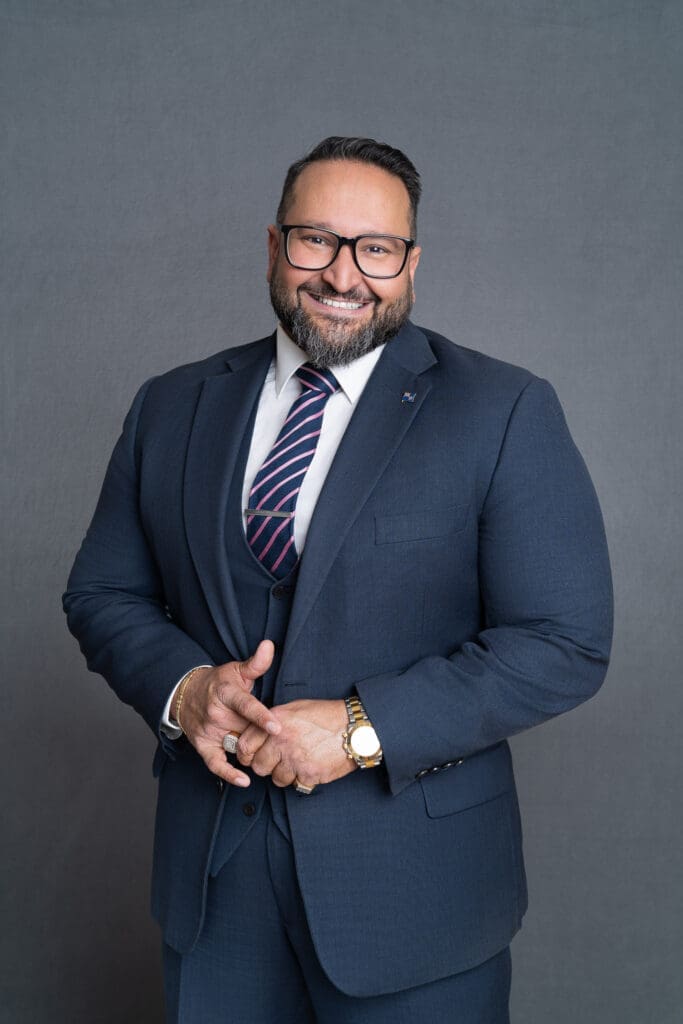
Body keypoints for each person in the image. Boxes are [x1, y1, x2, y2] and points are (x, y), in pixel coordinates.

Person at [63, 136, 613, 1023]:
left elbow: (563, 642)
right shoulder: (172, 403)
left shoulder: (502, 409)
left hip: (416, 901)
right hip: (215, 895)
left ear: (410, 264)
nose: (342, 274)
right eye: (316, 239)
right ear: (274, 246)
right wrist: (187, 690)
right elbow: (103, 593)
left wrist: (361, 729)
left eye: (375, 248)